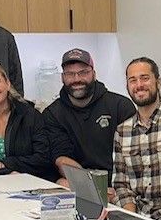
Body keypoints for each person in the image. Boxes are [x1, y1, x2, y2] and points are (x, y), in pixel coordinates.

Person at [43, 48, 135, 185]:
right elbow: (61, 158)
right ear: (62, 77)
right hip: (79, 185)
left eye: (83, 72)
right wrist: (93, 188)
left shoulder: (121, 106)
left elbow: (132, 158)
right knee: (62, 183)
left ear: (94, 74)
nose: (77, 79)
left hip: (120, 184)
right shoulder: (53, 114)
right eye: (70, 74)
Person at [111, 57, 161, 219]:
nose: (139, 85)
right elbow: (121, 185)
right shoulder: (122, 131)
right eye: (133, 80)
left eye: (145, 78)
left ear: (158, 82)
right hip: (140, 218)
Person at [0, 62, 53, 178]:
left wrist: (2, 164)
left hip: (32, 183)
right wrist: (8, 173)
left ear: (7, 84)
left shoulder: (30, 115)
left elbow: (43, 158)